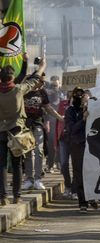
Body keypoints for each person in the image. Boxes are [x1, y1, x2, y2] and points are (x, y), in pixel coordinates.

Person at [0, 59, 47, 206]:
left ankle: (2, 197)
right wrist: (42, 66)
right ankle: (17, 196)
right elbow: (35, 79)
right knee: (16, 164)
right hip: (17, 132)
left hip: (1, 131)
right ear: (13, 77)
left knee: (1, 165)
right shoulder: (19, 90)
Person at [22, 73, 64, 190]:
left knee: (39, 151)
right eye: (39, 81)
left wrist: (60, 117)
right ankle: (29, 179)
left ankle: (38, 179)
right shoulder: (23, 91)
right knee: (27, 153)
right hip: (25, 125)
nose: (41, 84)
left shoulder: (42, 92)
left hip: (38, 124)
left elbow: (48, 108)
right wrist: (27, 77)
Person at [64, 87, 90, 212]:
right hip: (78, 145)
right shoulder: (70, 111)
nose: (80, 97)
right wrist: (83, 119)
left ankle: (93, 197)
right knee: (79, 174)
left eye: (82, 95)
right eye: (77, 95)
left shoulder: (92, 108)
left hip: (93, 145)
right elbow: (71, 129)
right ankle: (83, 201)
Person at [44, 75, 64, 173]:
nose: (55, 86)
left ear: (60, 83)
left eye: (57, 84)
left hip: (62, 121)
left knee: (61, 142)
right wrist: (47, 121)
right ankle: (50, 165)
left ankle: (59, 163)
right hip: (52, 120)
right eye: (53, 84)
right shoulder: (48, 93)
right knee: (51, 143)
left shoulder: (63, 92)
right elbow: (47, 108)